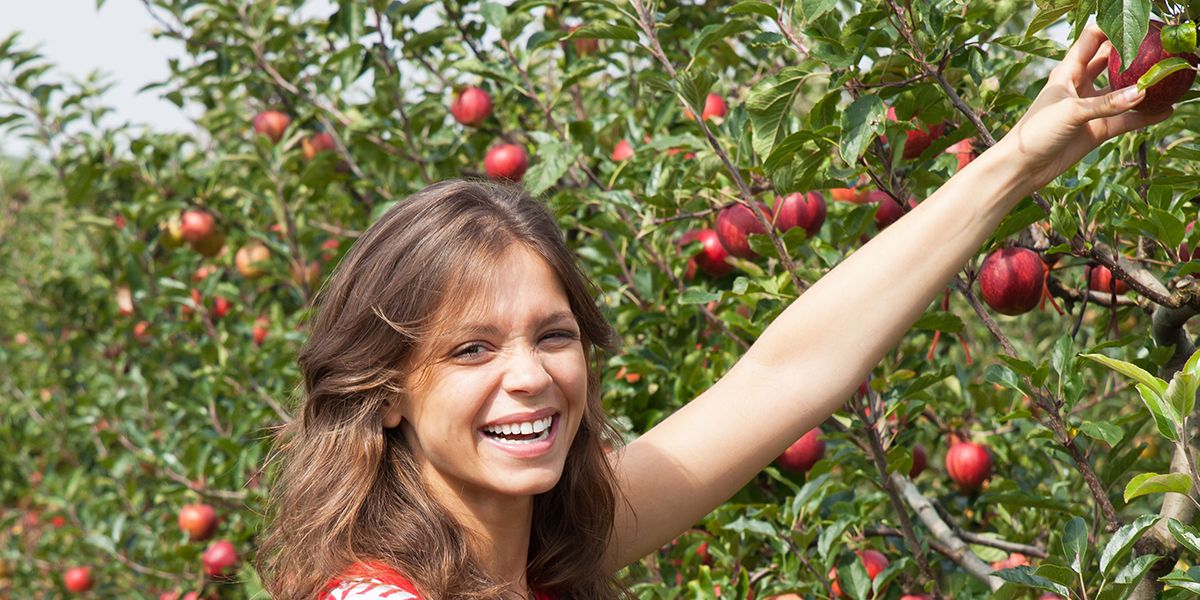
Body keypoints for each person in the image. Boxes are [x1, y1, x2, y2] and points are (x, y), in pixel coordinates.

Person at [255, 26, 1170, 600]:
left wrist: (1021, 155)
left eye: (555, 334)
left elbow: (784, 374)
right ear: (384, 393)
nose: (529, 373)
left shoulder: (550, 548)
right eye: (470, 349)